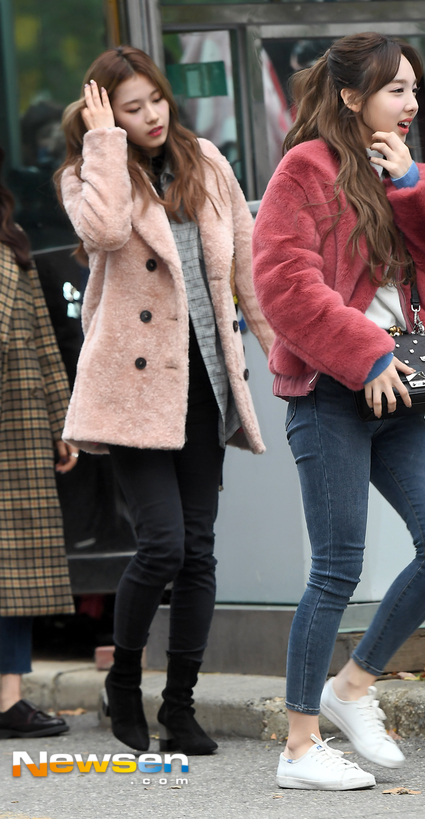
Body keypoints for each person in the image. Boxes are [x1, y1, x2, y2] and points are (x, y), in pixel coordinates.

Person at [252, 32, 425, 790]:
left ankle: (351, 688)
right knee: (337, 567)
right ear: (351, 96)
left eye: (414, 89)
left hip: (399, 395)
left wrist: (414, 185)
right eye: (395, 89)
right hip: (331, 393)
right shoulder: (304, 170)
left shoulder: (407, 171)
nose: (410, 103)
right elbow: (284, 284)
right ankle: (298, 747)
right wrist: (367, 351)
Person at [55, 46, 274, 755]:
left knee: (199, 551)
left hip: (205, 382)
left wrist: (282, 351)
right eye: (131, 107)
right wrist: (105, 146)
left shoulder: (204, 161)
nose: (151, 116)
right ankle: (124, 680)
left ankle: (180, 706)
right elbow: (105, 234)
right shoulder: (87, 173)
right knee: (163, 544)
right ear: (105, 114)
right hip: (133, 390)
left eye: (155, 99)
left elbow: (247, 264)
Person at [0, 146, 78, 739]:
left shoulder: (12, 240)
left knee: (17, 572)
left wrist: (60, 420)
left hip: (17, 426)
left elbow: (43, 341)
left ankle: (9, 699)